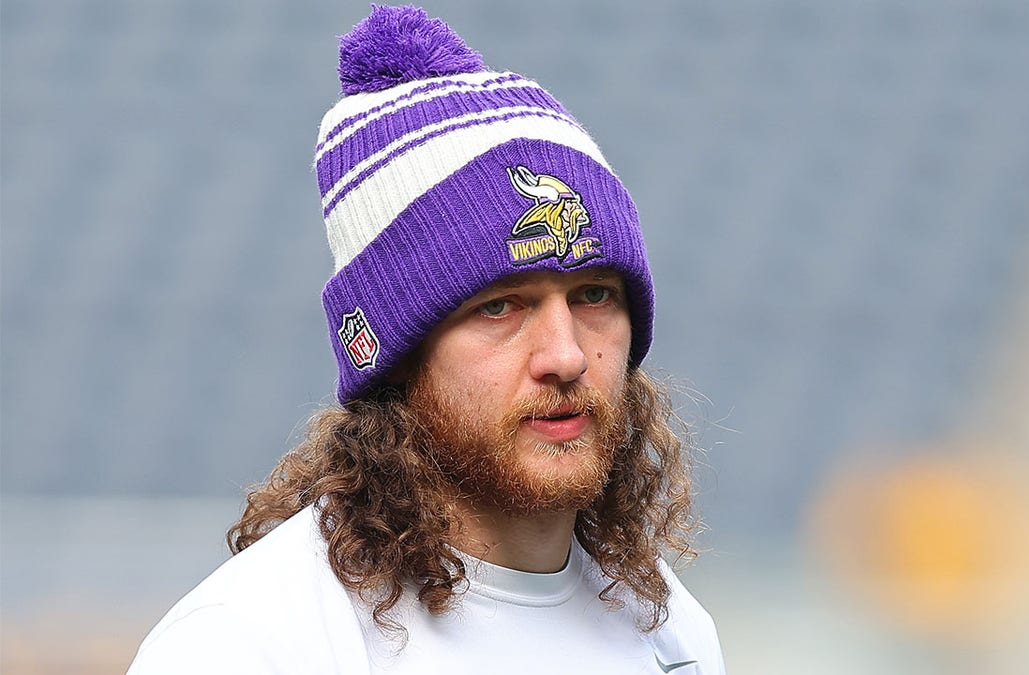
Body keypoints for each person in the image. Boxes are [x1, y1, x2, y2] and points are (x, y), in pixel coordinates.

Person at [128, 5, 724, 673]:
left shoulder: (670, 633)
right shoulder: (250, 646)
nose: (566, 355)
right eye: (499, 306)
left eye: (593, 296)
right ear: (396, 356)